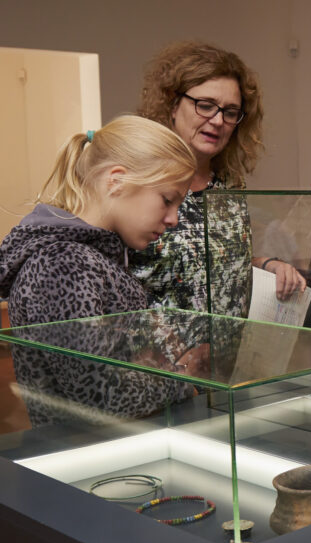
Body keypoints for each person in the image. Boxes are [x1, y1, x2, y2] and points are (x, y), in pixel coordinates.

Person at [0, 116, 201, 425]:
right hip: (82, 457)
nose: (174, 218)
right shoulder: (64, 263)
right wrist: (180, 378)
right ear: (116, 180)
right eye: (167, 200)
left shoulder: (95, 256)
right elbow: (99, 397)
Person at [131, 41, 305, 314]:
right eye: (205, 105)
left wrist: (268, 265)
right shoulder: (140, 178)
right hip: (155, 354)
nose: (217, 120)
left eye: (230, 112)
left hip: (229, 354)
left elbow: (214, 268)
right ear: (173, 105)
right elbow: (116, 281)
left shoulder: (229, 183)